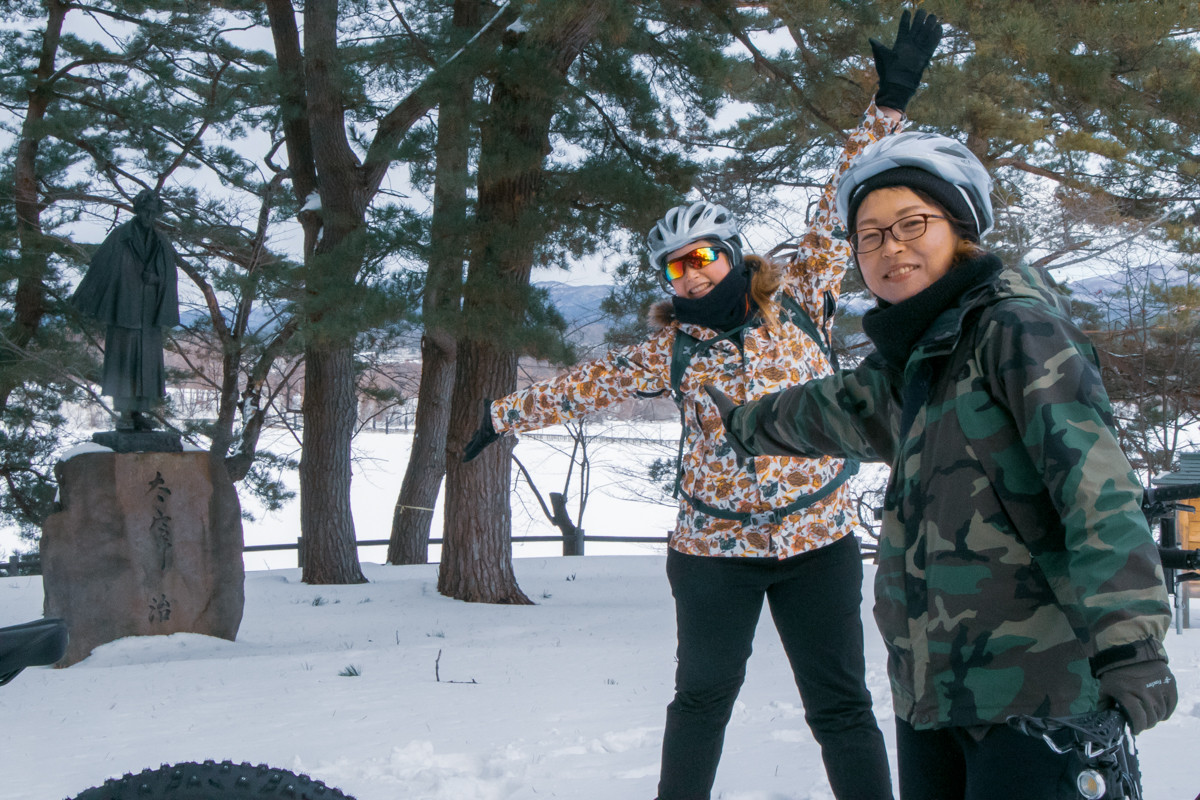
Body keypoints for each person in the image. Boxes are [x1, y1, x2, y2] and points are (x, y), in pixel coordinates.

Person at [461, 12, 944, 799]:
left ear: (732, 251)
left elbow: (837, 194)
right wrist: (500, 417)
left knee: (843, 707)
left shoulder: (800, 293)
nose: (688, 275)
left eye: (702, 257)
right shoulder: (672, 349)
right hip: (711, 554)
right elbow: (583, 384)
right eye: (673, 266)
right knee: (701, 701)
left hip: (816, 542)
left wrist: (890, 100)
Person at [707, 131, 1177, 799]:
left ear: (960, 226)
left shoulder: (1014, 330)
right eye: (869, 236)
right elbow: (836, 408)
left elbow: (1094, 486)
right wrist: (741, 422)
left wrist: (1131, 644)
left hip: (1038, 695)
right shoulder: (918, 360)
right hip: (935, 694)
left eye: (910, 224)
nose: (889, 247)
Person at [71, 189, 180, 431]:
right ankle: (124, 414)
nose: (148, 216)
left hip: (150, 315)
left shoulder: (161, 241)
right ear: (137, 210)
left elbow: (170, 277)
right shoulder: (120, 237)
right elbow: (99, 269)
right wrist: (83, 299)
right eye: (145, 211)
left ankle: (140, 412)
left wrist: (156, 279)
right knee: (123, 363)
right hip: (125, 310)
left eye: (153, 212)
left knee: (147, 365)